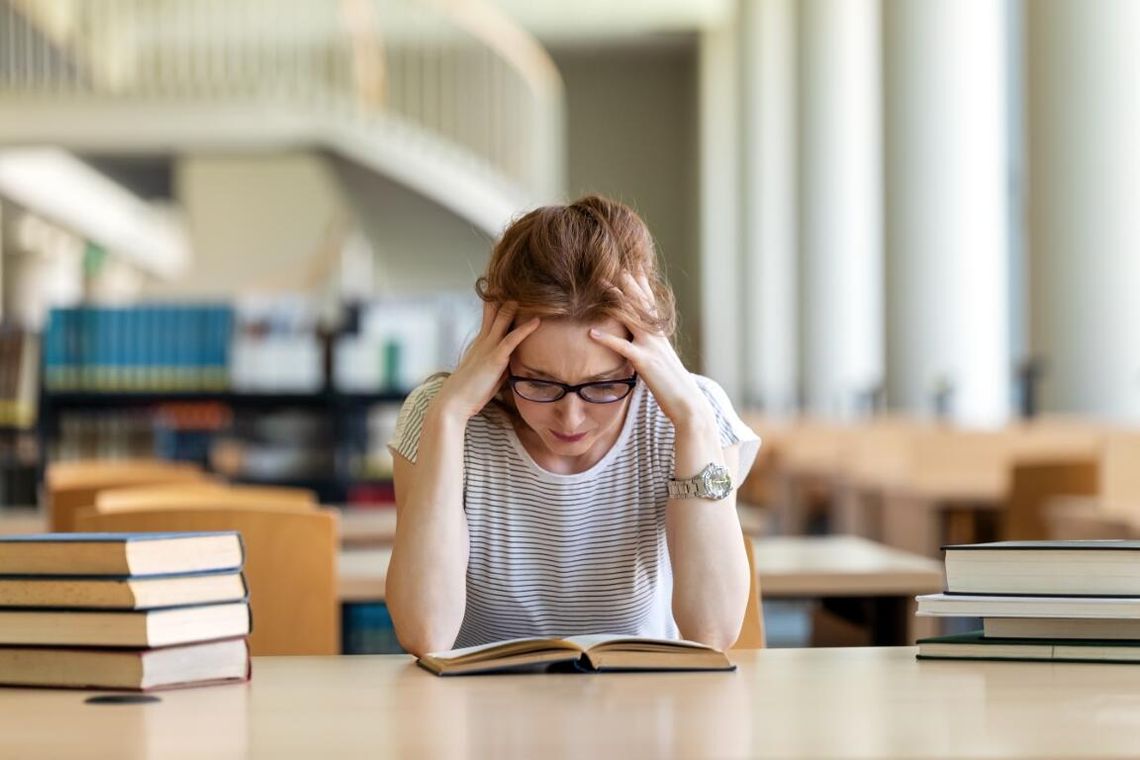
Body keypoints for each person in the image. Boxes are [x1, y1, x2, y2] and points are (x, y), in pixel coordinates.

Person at [386, 195, 760, 656]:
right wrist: (448, 417)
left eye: (602, 386)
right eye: (540, 384)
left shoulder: (690, 418)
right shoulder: (440, 416)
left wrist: (692, 417)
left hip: (641, 712)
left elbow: (713, 631)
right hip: (485, 716)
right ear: (500, 354)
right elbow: (425, 634)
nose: (572, 417)